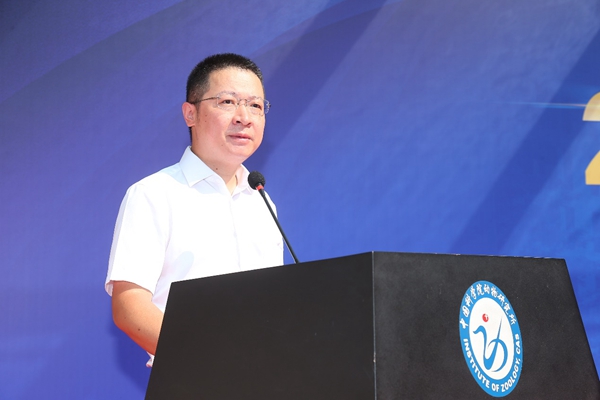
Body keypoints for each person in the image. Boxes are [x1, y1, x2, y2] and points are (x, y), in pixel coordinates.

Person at [105, 53, 284, 366]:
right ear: (190, 113)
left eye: (256, 105)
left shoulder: (262, 202)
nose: (244, 117)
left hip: (265, 376)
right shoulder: (154, 194)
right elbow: (129, 306)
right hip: (190, 376)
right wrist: (212, 360)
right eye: (227, 102)